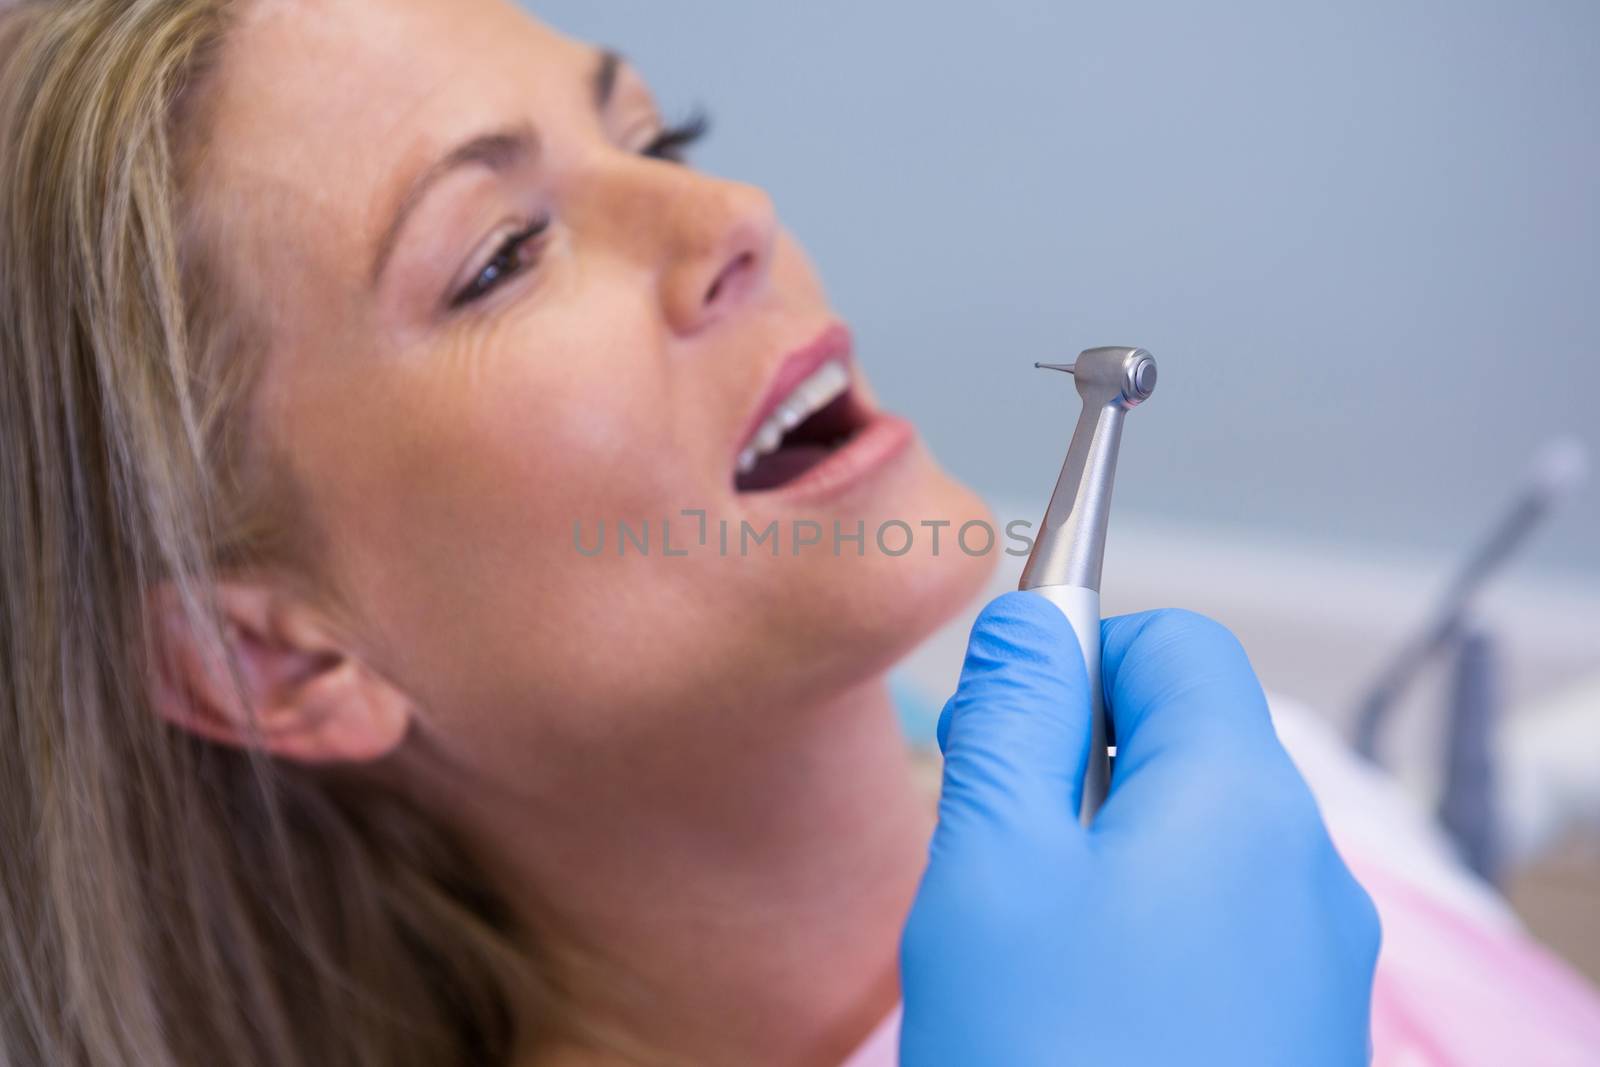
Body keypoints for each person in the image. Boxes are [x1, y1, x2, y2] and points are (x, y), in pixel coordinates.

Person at [0, 0, 1521, 1063]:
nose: (730, 212)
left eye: (659, 139)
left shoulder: (1251, 814)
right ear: (270, 658)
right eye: (505, 254)